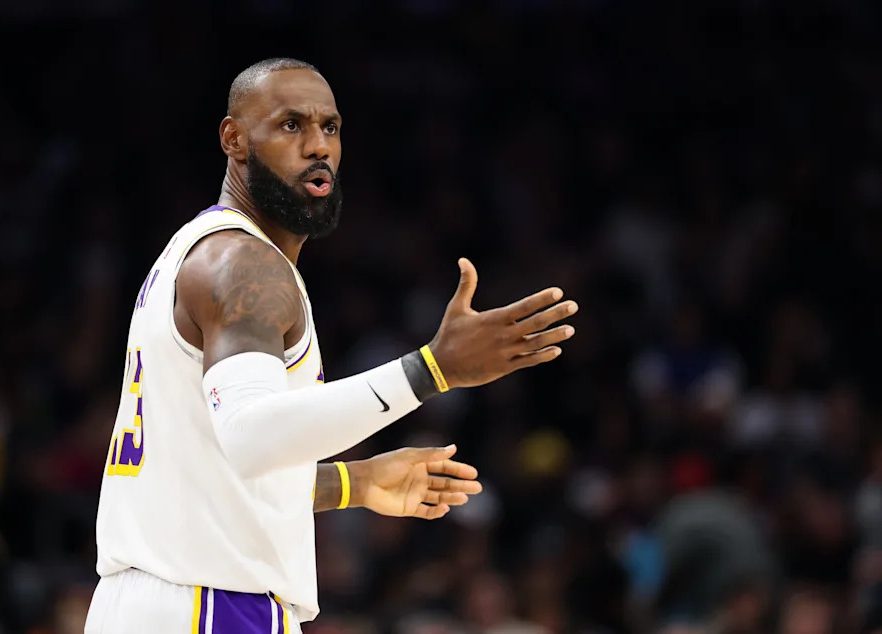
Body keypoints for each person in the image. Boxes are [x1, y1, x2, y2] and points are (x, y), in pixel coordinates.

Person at [83, 57, 579, 633]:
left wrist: (356, 482)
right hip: (210, 604)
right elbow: (252, 438)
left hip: (150, 603)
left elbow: (214, 470)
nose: (318, 146)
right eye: (292, 125)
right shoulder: (243, 264)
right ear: (234, 139)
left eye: (330, 128)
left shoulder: (200, 250)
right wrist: (431, 370)